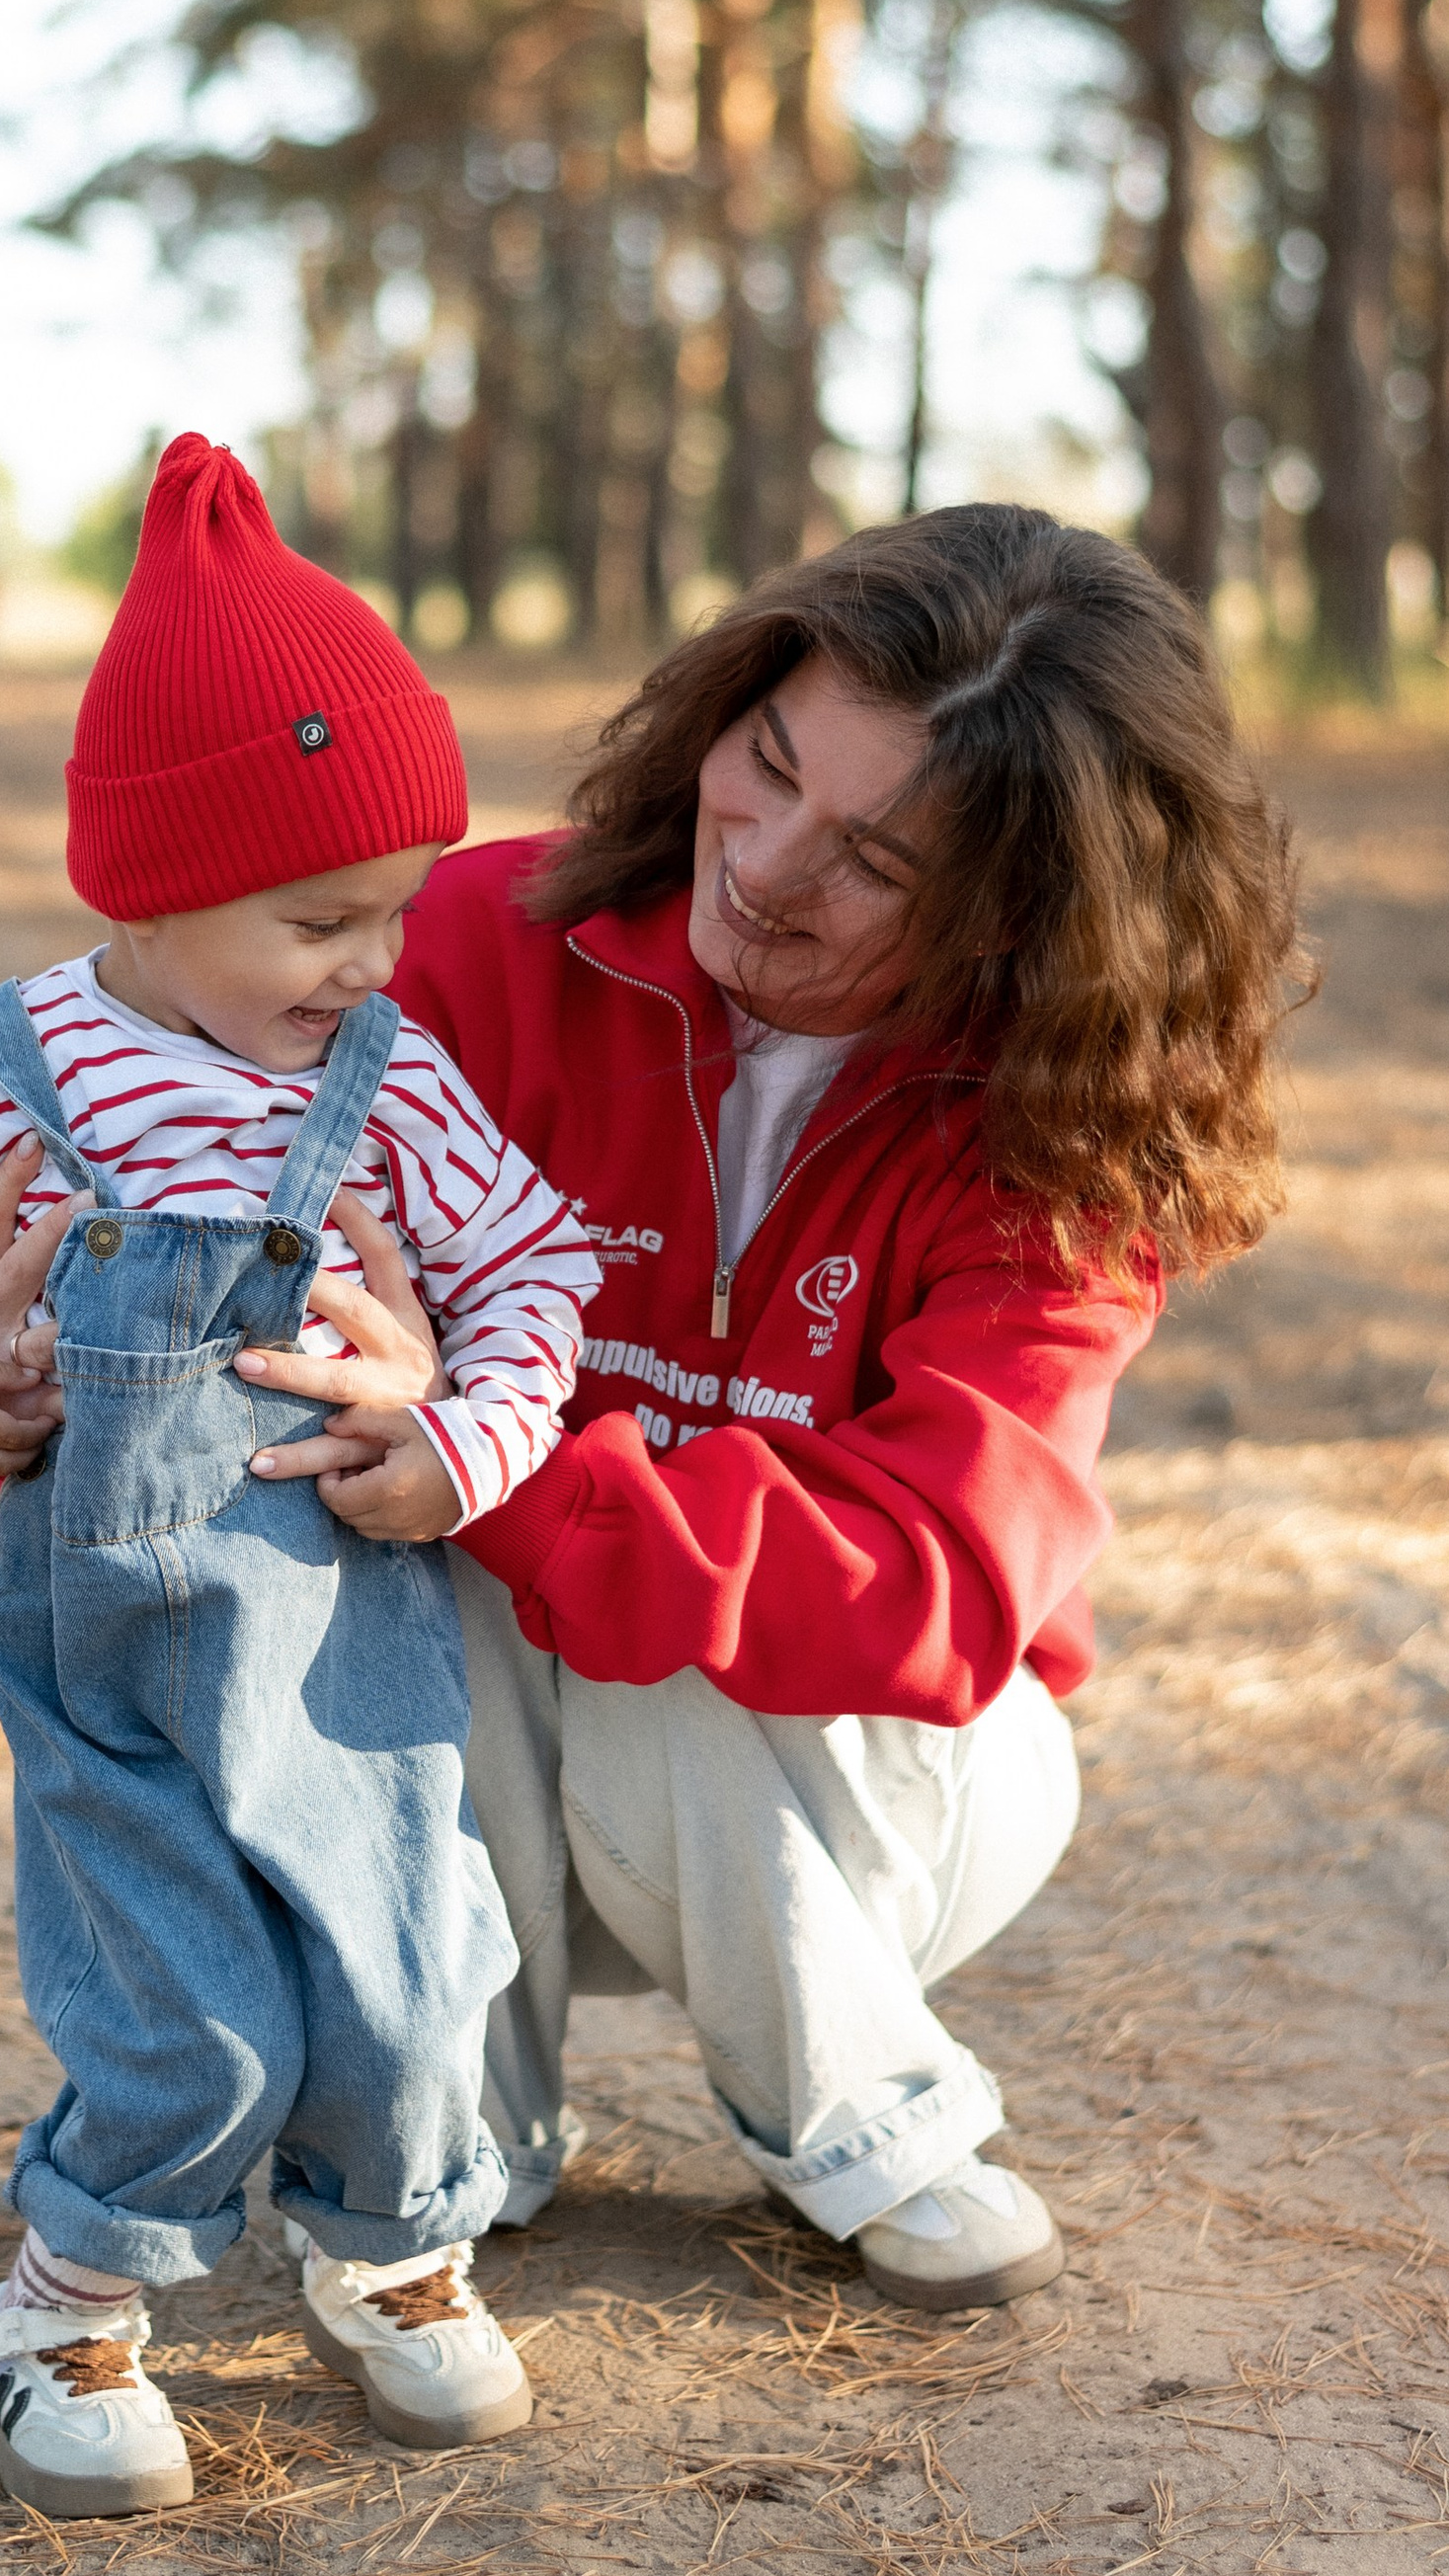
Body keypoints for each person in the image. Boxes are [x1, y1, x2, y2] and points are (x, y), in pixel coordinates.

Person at [235, 505, 1305, 2310]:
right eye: (770, 764)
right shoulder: (473, 948)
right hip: (485, 1784)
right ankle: (438, 2130)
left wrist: (495, 1467)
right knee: (396, 1536)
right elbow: (226, 1341)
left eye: (877, 861)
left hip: (884, 1803)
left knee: (687, 1582)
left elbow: (942, 1585)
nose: (768, 867)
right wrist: (3, 1379)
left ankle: (869, 2119)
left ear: (1029, 913)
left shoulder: (1068, 1120)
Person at [0, 437, 599, 2518]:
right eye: (316, 914)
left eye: (393, 909)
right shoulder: (0, 1068)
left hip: (346, 1620)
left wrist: (460, 1438)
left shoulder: (388, 1079)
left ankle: (392, 2254)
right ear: (146, 882)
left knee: (409, 1961)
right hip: (106, 1642)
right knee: (187, 2005)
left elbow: (537, 1272)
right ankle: (63, 2307)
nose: (372, 956)